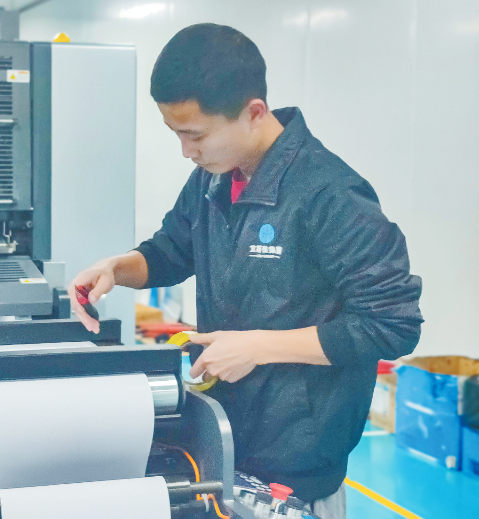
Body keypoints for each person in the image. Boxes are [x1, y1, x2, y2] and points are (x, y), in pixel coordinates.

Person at [70, 23, 423, 519]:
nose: (186, 151)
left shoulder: (331, 195)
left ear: (254, 112)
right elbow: (172, 250)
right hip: (222, 442)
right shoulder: (212, 179)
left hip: (296, 471)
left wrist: (256, 346)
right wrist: (117, 268)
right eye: (176, 134)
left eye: (195, 135)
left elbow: (392, 325)